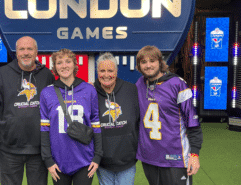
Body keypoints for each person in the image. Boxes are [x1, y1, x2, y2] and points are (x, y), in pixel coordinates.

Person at [0, 36, 55, 185]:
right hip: (9, 150)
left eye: (29, 49)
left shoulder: (47, 76)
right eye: (21, 49)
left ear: (36, 52)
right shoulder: (1, 75)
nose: (25, 53)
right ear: (16, 52)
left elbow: (56, 109)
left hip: (39, 150)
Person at [135, 45, 203, 185]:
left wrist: (194, 154)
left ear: (160, 62)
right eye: (144, 62)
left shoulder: (177, 84)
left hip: (175, 159)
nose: (148, 66)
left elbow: (193, 123)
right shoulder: (139, 85)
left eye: (152, 61)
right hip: (150, 158)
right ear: (139, 66)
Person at [40, 48, 103, 185]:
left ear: (75, 65)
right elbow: (44, 129)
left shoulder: (89, 89)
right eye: (59, 62)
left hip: (85, 160)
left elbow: (96, 123)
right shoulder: (47, 93)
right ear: (55, 67)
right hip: (58, 161)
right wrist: (48, 160)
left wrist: (97, 156)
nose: (64, 66)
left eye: (68, 61)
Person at [94, 52, 140, 185]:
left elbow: (138, 120)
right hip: (103, 161)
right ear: (97, 72)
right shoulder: (91, 92)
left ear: (117, 71)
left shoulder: (131, 90)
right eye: (102, 70)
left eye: (110, 70)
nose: (106, 75)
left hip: (127, 160)